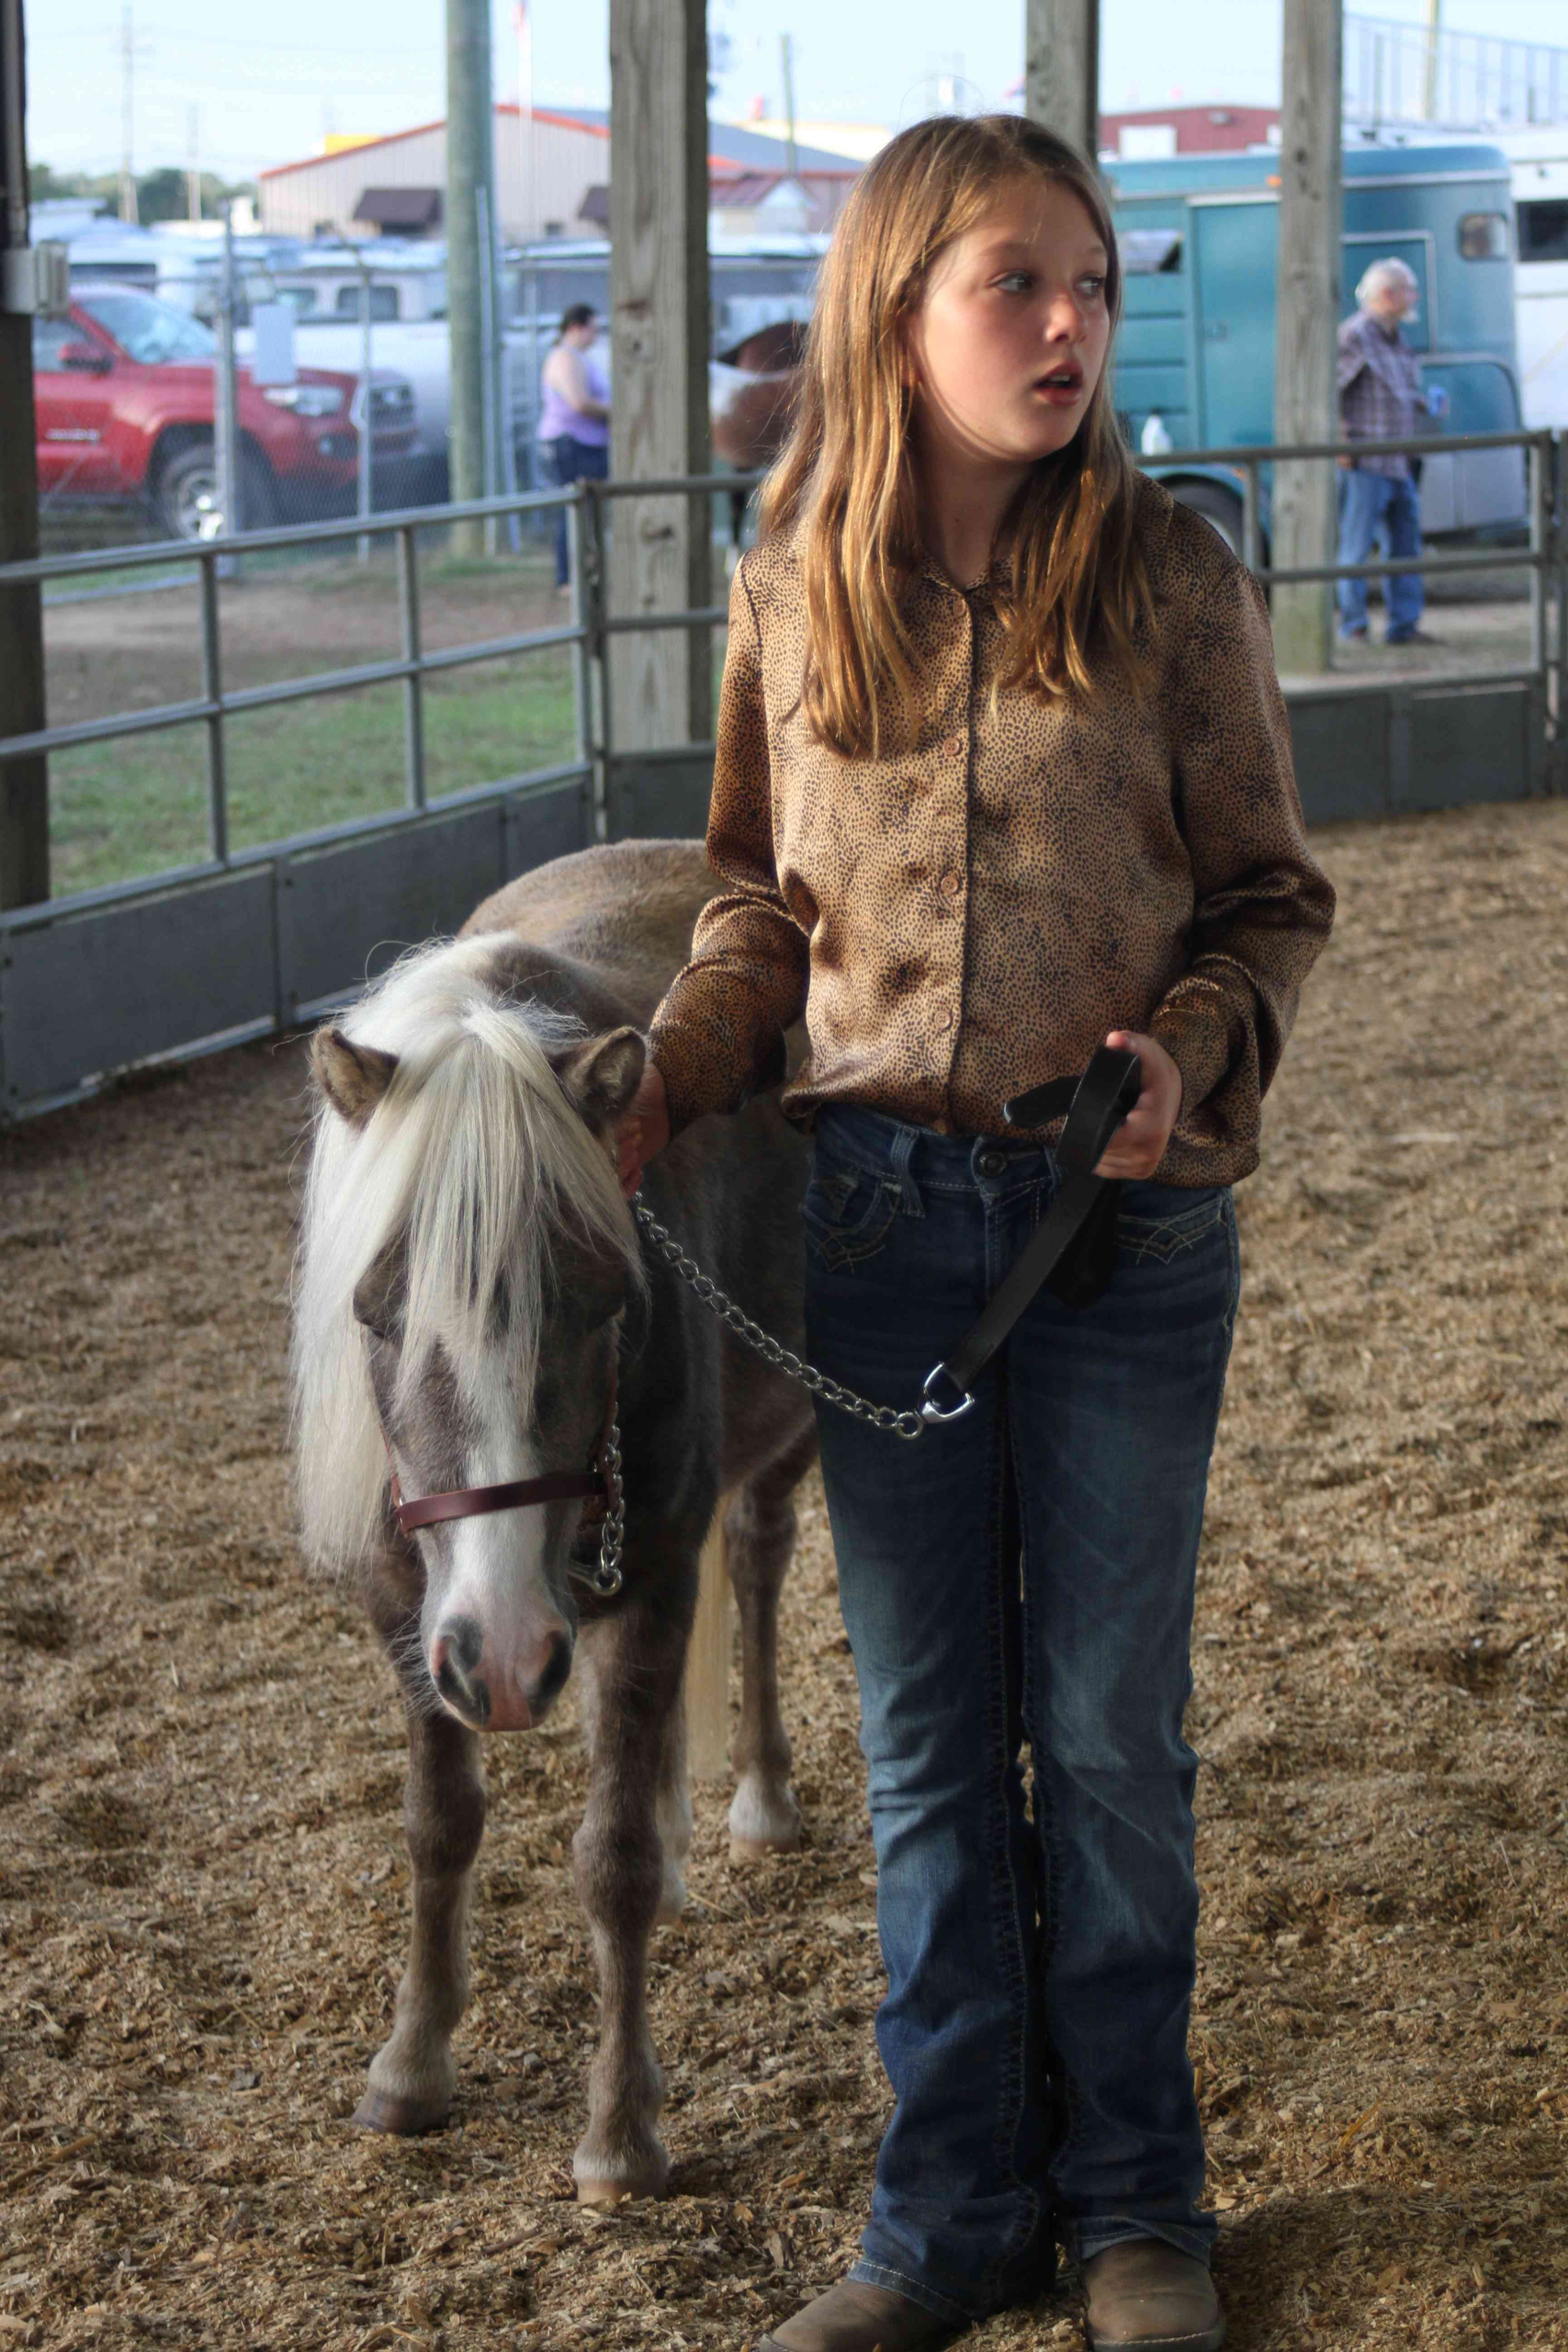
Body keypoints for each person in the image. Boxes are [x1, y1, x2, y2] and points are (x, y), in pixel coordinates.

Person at [617, 115, 1335, 2352]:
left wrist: (1180, 1055)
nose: (1065, 326)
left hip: (1109, 1236)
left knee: (1105, 1734)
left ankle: (1137, 2205)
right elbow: (755, 891)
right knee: (927, 1747)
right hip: (874, 1220)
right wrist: (670, 1060)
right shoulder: (785, 566)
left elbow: (1265, 897)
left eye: (1090, 287)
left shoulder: (1169, 575)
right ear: (890, 305)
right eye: (1013, 284)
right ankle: (941, 2220)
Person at [1336, 258, 1449, 647]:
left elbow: (1393, 392)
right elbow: (1327, 391)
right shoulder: (1353, 336)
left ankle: (1403, 626)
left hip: (1400, 461)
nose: (1415, 298)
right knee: (1356, 547)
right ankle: (1353, 626)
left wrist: (1422, 404)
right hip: (1366, 461)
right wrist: (1341, 443)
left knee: (1405, 547)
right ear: (1387, 295)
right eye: (1409, 290)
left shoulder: (1397, 338)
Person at [537, 300, 610, 592]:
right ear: (576, 327)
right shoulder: (565, 359)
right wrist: (619, 412)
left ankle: (583, 574)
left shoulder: (579, 358)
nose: (596, 335)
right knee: (575, 512)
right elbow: (579, 402)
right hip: (571, 445)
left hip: (586, 445)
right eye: (593, 328)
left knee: (586, 513)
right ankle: (567, 578)